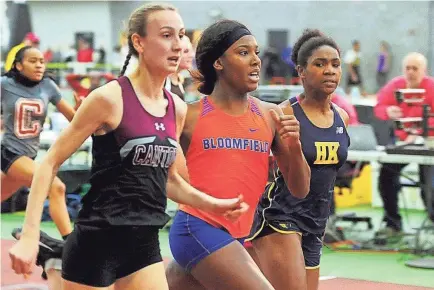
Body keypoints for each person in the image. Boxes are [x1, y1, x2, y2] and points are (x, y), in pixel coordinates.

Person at [9, 4, 247, 290]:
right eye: (166, 35)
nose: (178, 45)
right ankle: (56, 262)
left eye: (181, 35)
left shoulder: (176, 108)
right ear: (139, 42)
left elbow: (169, 180)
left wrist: (214, 205)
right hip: (96, 245)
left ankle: (55, 261)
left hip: (143, 245)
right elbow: (49, 162)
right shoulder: (109, 99)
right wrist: (30, 234)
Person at [165, 19, 310, 290]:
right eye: (244, 53)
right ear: (218, 63)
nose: (256, 60)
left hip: (238, 235)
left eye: (256, 52)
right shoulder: (189, 115)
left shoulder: (271, 115)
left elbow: (300, 189)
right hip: (196, 227)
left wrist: (295, 147)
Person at [246, 29, 350, 290]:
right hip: (280, 215)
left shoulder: (342, 117)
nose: (330, 71)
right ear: (301, 71)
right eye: (320, 64)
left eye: (335, 64)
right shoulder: (283, 114)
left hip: (316, 221)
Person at [374, 52, 434, 235]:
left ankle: (431, 220)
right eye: (407, 68)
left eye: (414, 68)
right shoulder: (396, 86)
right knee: (386, 175)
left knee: (429, 183)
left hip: (429, 144)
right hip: (402, 143)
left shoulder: (431, 87)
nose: (410, 72)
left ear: (424, 70)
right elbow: (379, 107)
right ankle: (393, 223)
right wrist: (388, 111)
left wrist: (418, 132)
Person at [165, 35, 195, 100]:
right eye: (186, 51)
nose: (192, 55)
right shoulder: (163, 82)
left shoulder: (180, 80)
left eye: (191, 50)